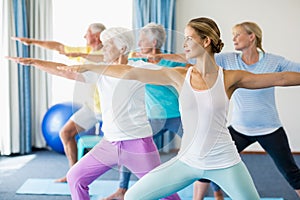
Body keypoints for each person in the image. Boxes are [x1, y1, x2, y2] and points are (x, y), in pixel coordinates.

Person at [55, 16, 300, 200]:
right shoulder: (179, 76)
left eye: (188, 38)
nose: (183, 43)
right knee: (132, 196)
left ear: (205, 41)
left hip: (225, 161)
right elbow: (131, 71)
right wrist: (91, 67)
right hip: (187, 161)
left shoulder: (230, 77)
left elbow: (280, 78)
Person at [7, 27, 181, 200]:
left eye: (107, 45)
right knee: (75, 177)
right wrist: (34, 62)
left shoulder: (140, 68)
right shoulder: (100, 71)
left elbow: (169, 76)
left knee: (165, 192)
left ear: (121, 48)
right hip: (110, 143)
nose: (102, 49)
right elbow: (64, 70)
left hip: (137, 144)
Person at [193, 21, 300, 199]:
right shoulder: (228, 60)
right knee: (209, 161)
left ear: (252, 37)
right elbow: (196, 58)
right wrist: (162, 57)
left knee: (291, 173)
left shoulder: (274, 61)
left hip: (270, 129)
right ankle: (212, 194)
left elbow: (296, 70)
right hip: (239, 128)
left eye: (238, 34)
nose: (233, 38)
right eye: (233, 35)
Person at [103, 22, 188, 200]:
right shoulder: (135, 61)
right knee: (129, 149)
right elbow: (117, 65)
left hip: (175, 116)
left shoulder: (171, 61)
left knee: (199, 148)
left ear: (154, 43)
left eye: (142, 40)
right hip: (151, 118)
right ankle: (122, 189)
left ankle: (216, 191)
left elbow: (190, 66)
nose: (139, 43)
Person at [12, 23, 106, 183]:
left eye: (87, 33)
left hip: (109, 110)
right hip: (91, 109)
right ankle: (73, 174)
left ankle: (126, 184)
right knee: (66, 133)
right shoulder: (86, 52)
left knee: (122, 146)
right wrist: (33, 42)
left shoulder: (111, 53)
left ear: (96, 36)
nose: (84, 36)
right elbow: (59, 47)